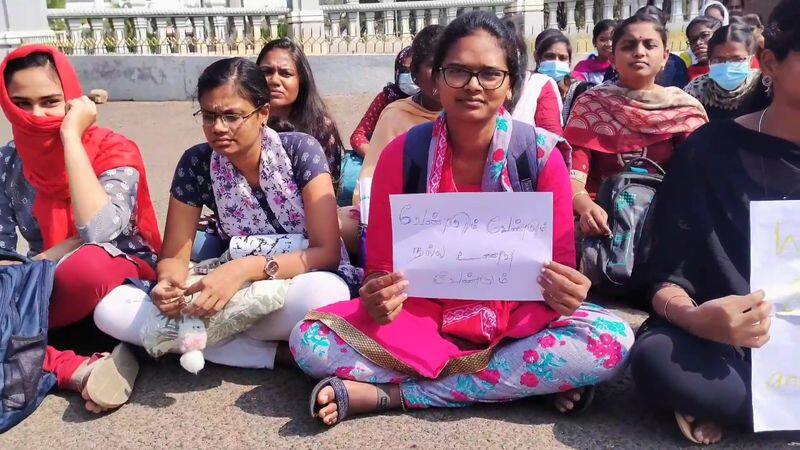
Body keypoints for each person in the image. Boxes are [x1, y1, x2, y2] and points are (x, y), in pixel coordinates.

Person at [290, 11, 634, 427]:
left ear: (511, 84)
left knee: (609, 342)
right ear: (436, 78)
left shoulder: (540, 156)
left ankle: (392, 395)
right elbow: (379, 270)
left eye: (490, 73)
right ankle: (523, 383)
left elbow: (558, 269)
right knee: (309, 342)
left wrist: (568, 292)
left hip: (515, 319)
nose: (473, 85)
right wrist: (378, 297)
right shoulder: (402, 156)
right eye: (458, 71)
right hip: (422, 317)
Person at [94, 58, 361, 370]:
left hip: (296, 278)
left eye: (231, 116)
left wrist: (243, 270)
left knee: (327, 294)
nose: (218, 127)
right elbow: (174, 256)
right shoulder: (196, 163)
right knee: (109, 310)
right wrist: (168, 284)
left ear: (263, 113)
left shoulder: (301, 151)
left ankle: (189, 342)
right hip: (229, 288)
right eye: (209, 116)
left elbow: (327, 253)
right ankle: (273, 353)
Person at [629, 0, 800, 443]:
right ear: (769, 63)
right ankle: (756, 406)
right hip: (733, 347)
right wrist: (697, 319)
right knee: (659, 358)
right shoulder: (712, 151)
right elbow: (662, 276)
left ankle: (749, 413)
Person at [0, 45, 163, 413]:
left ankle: (41, 345)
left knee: (86, 265)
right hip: (49, 286)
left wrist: (70, 137)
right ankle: (75, 368)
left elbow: (100, 232)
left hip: (117, 272)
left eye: (50, 101)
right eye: (21, 103)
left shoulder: (114, 149)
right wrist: (27, 275)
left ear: (72, 100)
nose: (35, 115)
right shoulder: (8, 160)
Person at [565, 12, 708, 238]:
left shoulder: (683, 110)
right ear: (612, 58)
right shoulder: (591, 106)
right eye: (629, 45)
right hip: (604, 226)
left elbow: (699, 178)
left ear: (664, 57)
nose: (639, 52)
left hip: (667, 226)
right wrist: (585, 207)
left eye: (650, 45)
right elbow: (573, 178)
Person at [354, 25, 444, 203]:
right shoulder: (394, 115)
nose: (442, 75)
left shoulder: (467, 115)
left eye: (452, 68)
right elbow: (371, 178)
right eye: (433, 66)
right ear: (415, 75)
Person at [256, 38, 344, 190]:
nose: (274, 80)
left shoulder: (320, 128)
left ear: (301, 81)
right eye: (266, 72)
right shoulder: (243, 123)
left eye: (285, 73)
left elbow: (329, 190)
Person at [685, 22, 771, 121]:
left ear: (750, 59)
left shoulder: (764, 86)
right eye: (719, 60)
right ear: (709, 61)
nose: (727, 66)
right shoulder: (695, 91)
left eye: (737, 59)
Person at [349, 46, 414, 158]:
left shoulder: (435, 103)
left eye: (413, 71)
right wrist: (376, 159)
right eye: (404, 71)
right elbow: (358, 136)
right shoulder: (387, 98)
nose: (410, 77)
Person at [511, 29, 568, 134]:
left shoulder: (577, 89)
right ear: (537, 57)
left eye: (562, 58)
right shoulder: (528, 84)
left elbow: (551, 138)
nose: (555, 62)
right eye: (549, 56)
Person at [572, 20, 616, 84]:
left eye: (613, 39)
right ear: (594, 42)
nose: (609, 44)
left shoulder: (624, 67)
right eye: (602, 40)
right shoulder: (582, 68)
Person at [683, 16, 723, 80]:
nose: (698, 43)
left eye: (705, 35)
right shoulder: (688, 74)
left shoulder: (732, 69)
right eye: (693, 40)